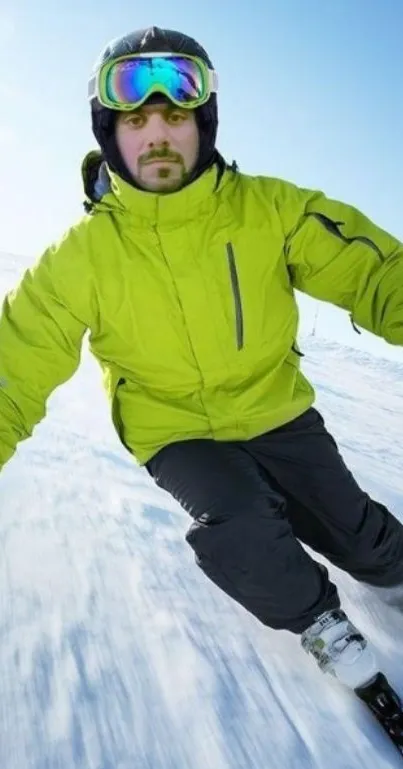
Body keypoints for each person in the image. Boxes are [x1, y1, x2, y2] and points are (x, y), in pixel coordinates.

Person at [1, 25, 403, 693]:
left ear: (203, 123)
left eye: (176, 113)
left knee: (359, 536)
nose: (157, 132)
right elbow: (14, 361)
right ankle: (319, 622)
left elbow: (373, 274)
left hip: (276, 410)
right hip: (175, 430)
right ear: (109, 131)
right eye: (135, 116)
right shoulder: (79, 257)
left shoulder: (270, 210)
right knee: (240, 522)